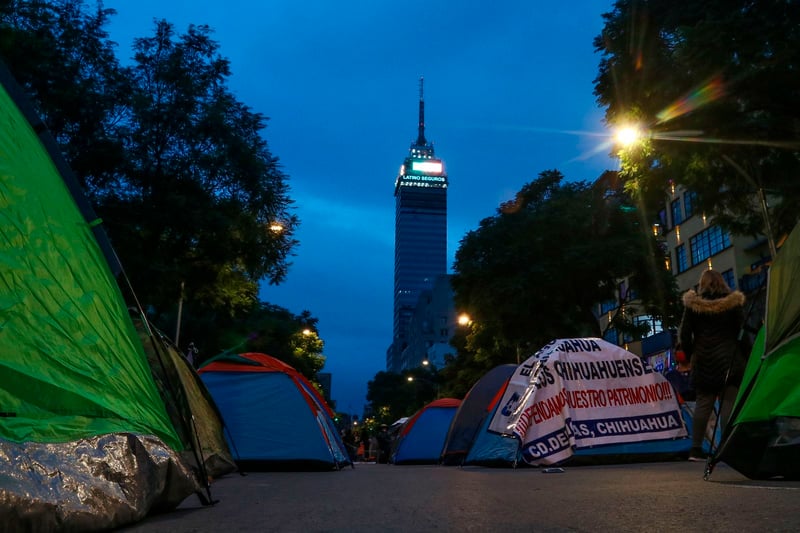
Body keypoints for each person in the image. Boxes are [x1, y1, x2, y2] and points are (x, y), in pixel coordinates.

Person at [679, 269, 746, 462]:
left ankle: (696, 449)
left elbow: (684, 335)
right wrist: (746, 354)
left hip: (703, 360)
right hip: (729, 360)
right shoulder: (733, 304)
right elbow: (741, 331)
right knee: (728, 404)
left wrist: (692, 354)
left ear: (702, 284)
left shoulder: (693, 305)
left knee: (703, 404)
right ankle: (726, 448)